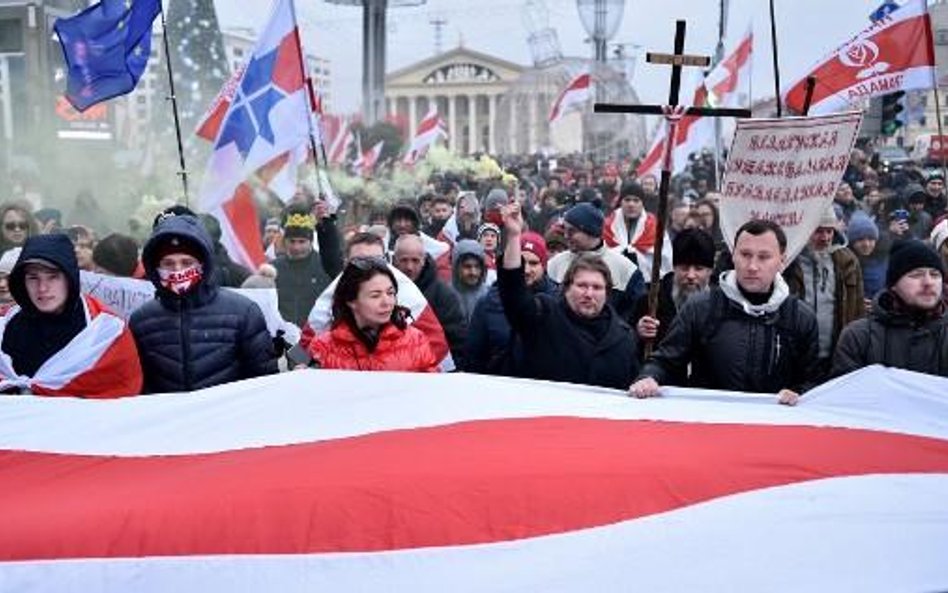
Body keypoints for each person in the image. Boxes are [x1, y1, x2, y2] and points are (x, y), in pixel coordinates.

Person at [629, 219, 819, 404]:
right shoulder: (701, 308)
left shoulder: (800, 318)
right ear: (733, 255)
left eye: (764, 257)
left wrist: (798, 393)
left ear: (782, 261)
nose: (752, 266)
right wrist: (649, 377)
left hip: (773, 426)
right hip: (709, 425)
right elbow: (666, 360)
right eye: (745, 254)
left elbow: (813, 381)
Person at [130, 212, 277, 393]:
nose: (178, 270)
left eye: (186, 262)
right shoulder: (141, 321)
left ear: (202, 263)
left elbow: (264, 381)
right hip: (170, 419)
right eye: (168, 263)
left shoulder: (244, 312)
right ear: (155, 267)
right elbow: (137, 385)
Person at [497, 202, 639, 389]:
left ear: (607, 292)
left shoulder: (623, 337)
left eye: (596, 287)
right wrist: (514, 236)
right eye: (582, 285)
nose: (589, 294)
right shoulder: (544, 316)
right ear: (566, 287)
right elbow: (513, 293)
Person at [0, 234, 142, 397]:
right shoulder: (6, 326)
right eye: (33, 277)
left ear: (69, 277)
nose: (42, 288)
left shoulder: (107, 332)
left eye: (53, 277)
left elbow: (122, 395)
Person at [832, 240, 946, 377]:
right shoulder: (860, 337)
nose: (928, 282)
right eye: (916, 275)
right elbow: (845, 393)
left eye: (935, 275)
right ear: (894, 284)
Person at [307, 257, 438, 372]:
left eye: (390, 293)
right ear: (351, 300)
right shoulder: (323, 347)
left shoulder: (415, 341)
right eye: (375, 295)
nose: (387, 302)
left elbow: (432, 392)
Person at [785, 206, 864, 378]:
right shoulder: (788, 261)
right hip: (795, 355)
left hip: (836, 354)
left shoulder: (847, 260)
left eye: (829, 231)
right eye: (818, 231)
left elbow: (857, 308)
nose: (825, 238)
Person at [466, 231, 558, 375]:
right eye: (521, 262)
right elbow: (474, 357)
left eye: (533, 263)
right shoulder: (488, 302)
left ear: (544, 266)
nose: (526, 270)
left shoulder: (558, 300)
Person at [547, 202, 645, 319]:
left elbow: (634, 314)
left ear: (591, 232)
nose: (566, 236)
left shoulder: (626, 270)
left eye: (572, 231)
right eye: (565, 230)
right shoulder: (554, 264)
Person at [633, 228, 715, 352]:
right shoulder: (651, 299)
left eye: (698, 269)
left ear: (709, 271)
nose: (691, 275)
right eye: (684, 268)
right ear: (674, 268)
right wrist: (638, 332)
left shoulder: (722, 303)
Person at [393, 233, 467, 364]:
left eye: (415, 260)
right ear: (394, 260)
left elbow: (457, 340)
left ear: (424, 260)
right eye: (404, 260)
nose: (409, 267)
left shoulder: (443, 295)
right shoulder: (384, 291)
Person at [273, 202, 343, 327]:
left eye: (302, 241)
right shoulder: (274, 269)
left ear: (310, 241)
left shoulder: (325, 266)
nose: (296, 247)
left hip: (316, 336)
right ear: (285, 241)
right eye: (292, 241)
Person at [603, 181, 672, 281]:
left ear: (642, 203)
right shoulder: (607, 226)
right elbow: (601, 255)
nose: (631, 204)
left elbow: (665, 259)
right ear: (621, 202)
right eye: (627, 200)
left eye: (636, 200)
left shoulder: (656, 228)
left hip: (646, 286)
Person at [847, 212, 887, 304]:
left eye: (871, 239)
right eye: (860, 239)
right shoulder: (846, 263)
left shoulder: (884, 258)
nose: (866, 244)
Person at [452, 239, 491, 323]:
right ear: (456, 268)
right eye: (467, 266)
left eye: (477, 267)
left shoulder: (489, 296)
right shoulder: (446, 296)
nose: (473, 272)